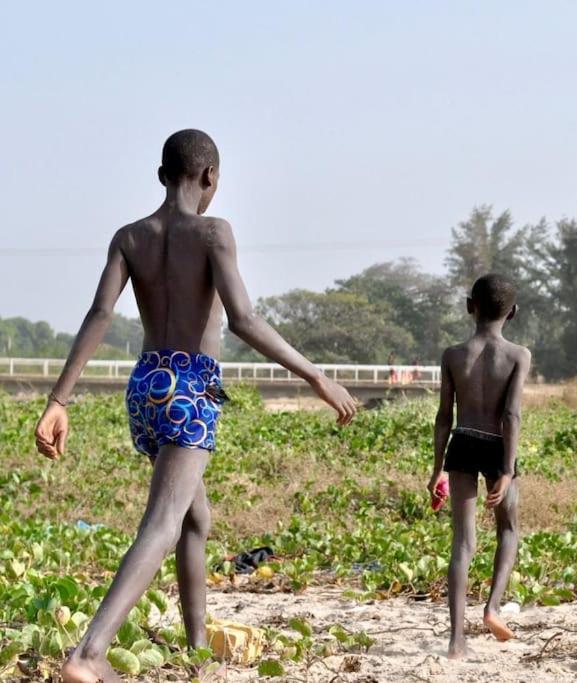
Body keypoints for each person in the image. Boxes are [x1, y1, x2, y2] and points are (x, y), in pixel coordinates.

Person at [33, 129, 358, 683]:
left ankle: (197, 646)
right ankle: (89, 653)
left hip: (146, 385)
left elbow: (99, 315)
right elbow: (245, 320)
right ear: (211, 177)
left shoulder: (129, 236)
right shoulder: (214, 231)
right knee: (163, 520)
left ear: (162, 175)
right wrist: (316, 376)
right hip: (192, 388)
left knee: (193, 517)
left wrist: (58, 399)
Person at [427, 273, 531, 659]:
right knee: (508, 528)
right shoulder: (518, 355)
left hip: (463, 439)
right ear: (513, 313)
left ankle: (456, 642)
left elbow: (443, 417)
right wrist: (506, 471)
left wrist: (437, 469)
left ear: (470, 306)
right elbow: (512, 415)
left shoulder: (453, 355)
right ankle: (492, 608)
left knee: (463, 542)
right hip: (497, 445)